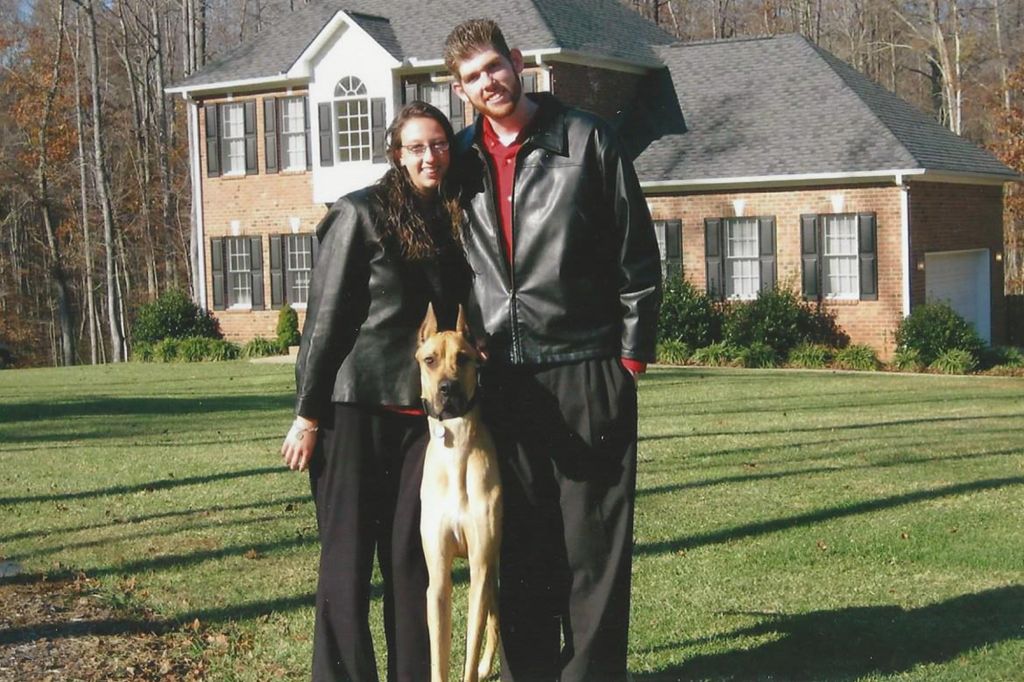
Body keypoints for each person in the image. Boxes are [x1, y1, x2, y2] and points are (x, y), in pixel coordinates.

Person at [443, 19, 663, 682]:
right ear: (461, 91)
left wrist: (629, 361)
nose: (489, 83)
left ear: (516, 61)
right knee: (520, 544)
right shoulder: (459, 159)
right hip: (503, 378)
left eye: (494, 66)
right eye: (473, 77)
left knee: (593, 544)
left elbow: (637, 256)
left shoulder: (586, 139)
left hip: (587, 365)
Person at [280, 101, 469, 682]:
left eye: (439, 144)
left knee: (412, 561)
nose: (430, 156)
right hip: (351, 411)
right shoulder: (359, 213)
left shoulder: (452, 219)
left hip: (419, 420)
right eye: (417, 147)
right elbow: (325, 321)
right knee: (347, 563)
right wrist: (308, 415)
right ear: (396, 154)